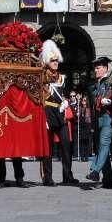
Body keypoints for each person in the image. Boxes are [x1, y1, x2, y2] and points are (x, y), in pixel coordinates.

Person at [39, 40, 78, 186]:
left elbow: (65, 93)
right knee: (47, 147)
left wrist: (66, 102)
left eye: (56, 60)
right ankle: (47, 178)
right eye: (52, 60)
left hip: (60, 112)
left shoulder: (62, 77)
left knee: (66, 145)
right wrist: (42, 117)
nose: (55, 63)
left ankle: (68, 176)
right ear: (47, 62)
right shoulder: (41, 77)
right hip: (47, 112)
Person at [86, 56, 112, 188]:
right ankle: (108, 180)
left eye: (98, 67)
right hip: (97, 118)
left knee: (104, 143)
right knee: (100, 148)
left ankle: (95, 171)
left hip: (108, 117)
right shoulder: (94, 85)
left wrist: (111, 102)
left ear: (105, 68)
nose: (95, 70)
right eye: (95, 67)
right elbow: (91, 103)